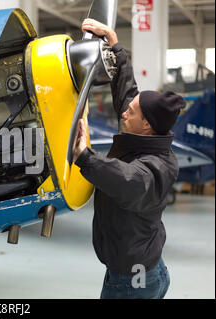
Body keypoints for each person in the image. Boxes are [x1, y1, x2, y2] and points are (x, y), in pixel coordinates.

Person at [73, 19, 186, 299]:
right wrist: (115, 43)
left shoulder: (158, 166)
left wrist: (84, 156)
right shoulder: (145, 132)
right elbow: (128, 93)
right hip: (143, 269)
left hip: (134, 282)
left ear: (146, 124)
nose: (124, 112)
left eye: (131, 112)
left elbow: (129, 181)